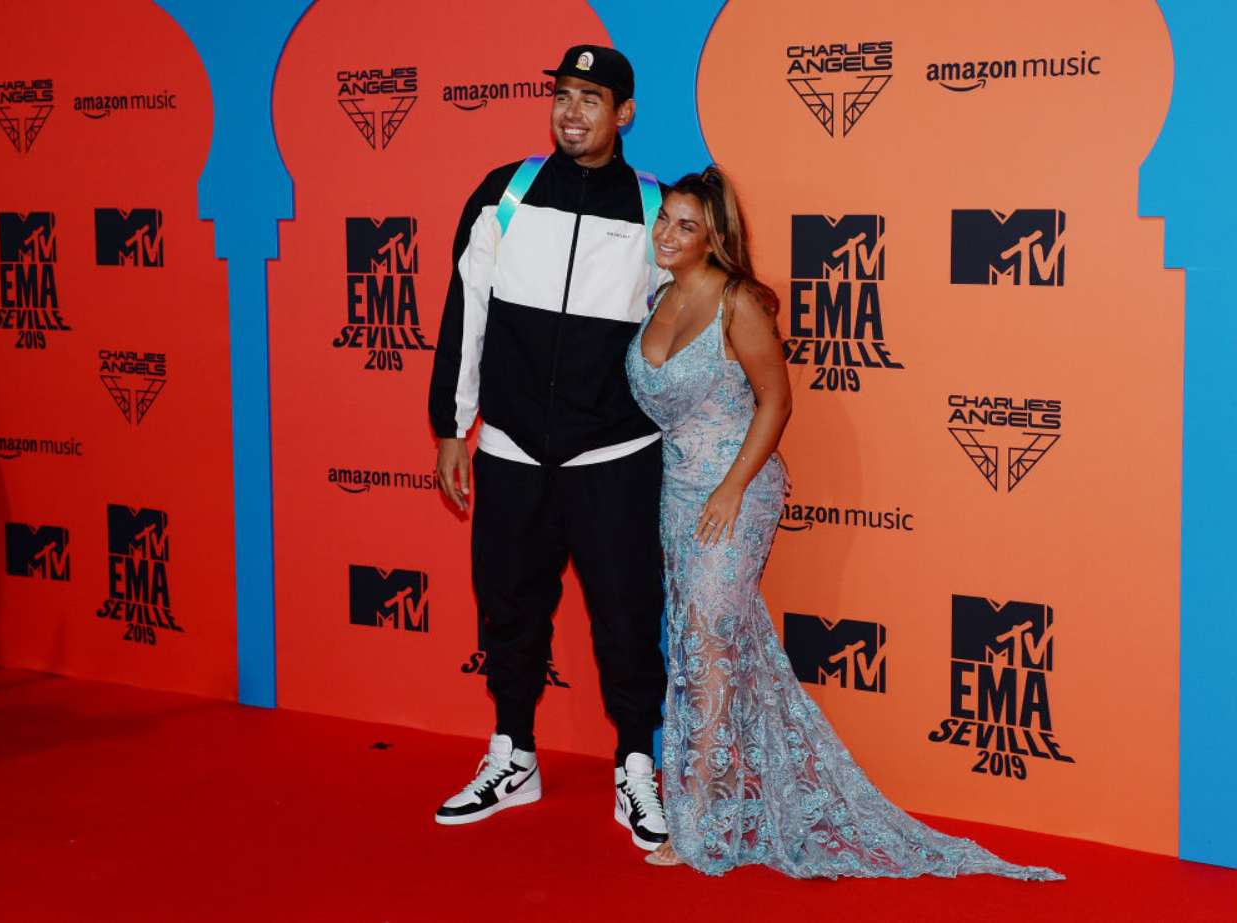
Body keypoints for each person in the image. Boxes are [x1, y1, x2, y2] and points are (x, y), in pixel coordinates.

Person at [625, 166, 1062, 881]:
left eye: (686, 225)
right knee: (702, 644)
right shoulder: (659, 296)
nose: (667, 234)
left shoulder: (739, 303)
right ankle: (729, 799)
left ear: (714, 237)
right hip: (677, 494)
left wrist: (732, 488)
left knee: (708, 651)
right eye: (664, 219)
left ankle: (700, 826)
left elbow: (776, 402)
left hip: (737, 495)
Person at [426, 45, 669, 852]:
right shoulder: (506, 192)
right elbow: (466, 310)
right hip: (511, 448)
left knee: (627, 616)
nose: (572, 112)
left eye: (591, 98)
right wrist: (452, 424)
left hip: (615, 454)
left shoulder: (656, 209)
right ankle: (514, 754)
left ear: (624, 113)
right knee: (510, 607)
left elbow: (681, 333)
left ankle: (636, 764)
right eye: (564, 95)